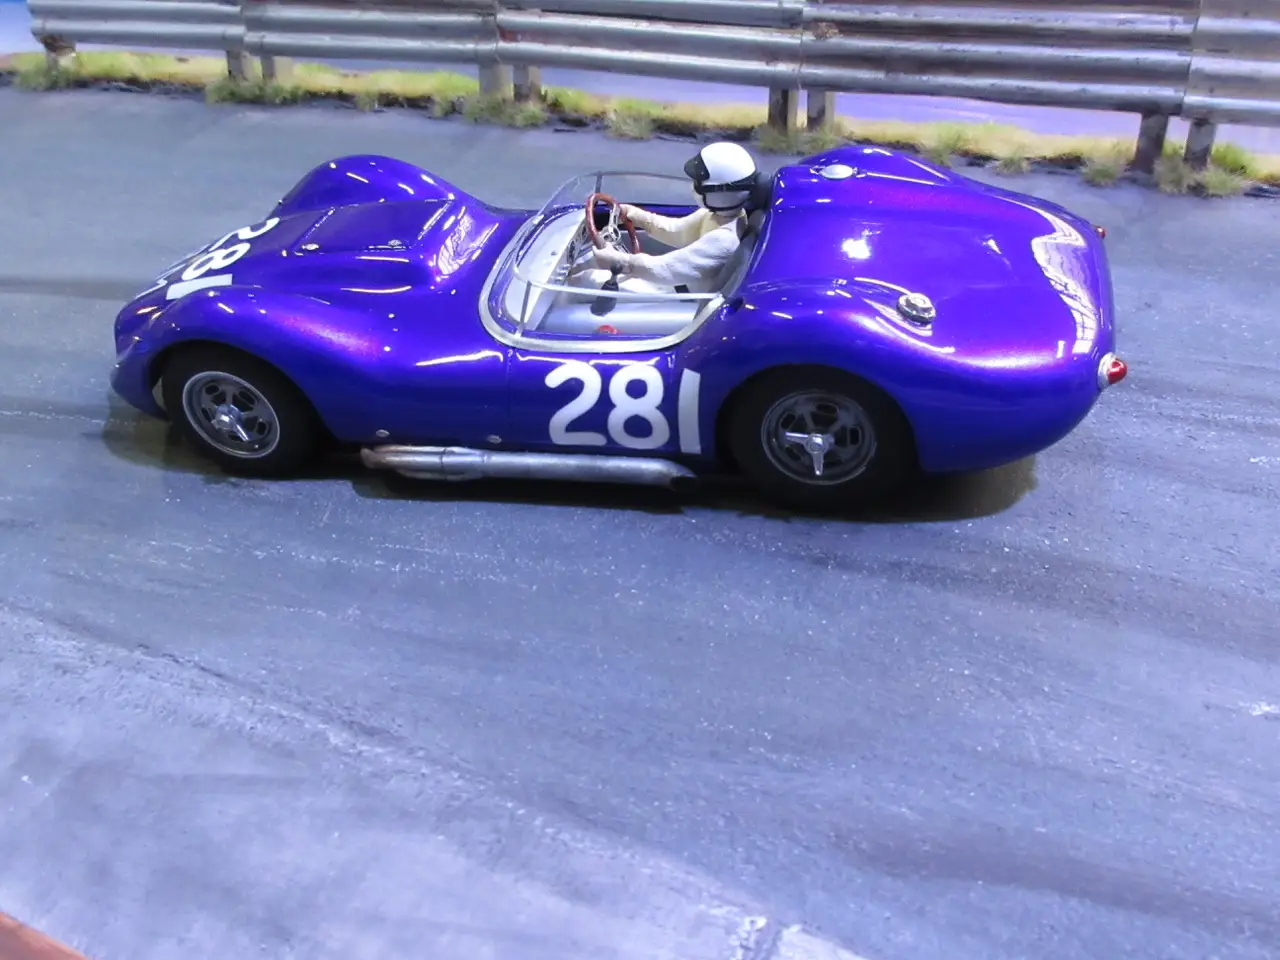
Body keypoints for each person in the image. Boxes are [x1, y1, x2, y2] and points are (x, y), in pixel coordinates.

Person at [580, 141, 762, 296]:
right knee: (589, 276)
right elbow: (676, 231)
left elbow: (665, 269)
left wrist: (619, 261)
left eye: (698, 183)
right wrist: (635, 216)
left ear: (718, 193)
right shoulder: (716, 215)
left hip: (680, 298)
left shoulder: (724, 240)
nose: (693, 186)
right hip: (675, 286)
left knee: (586, 280)